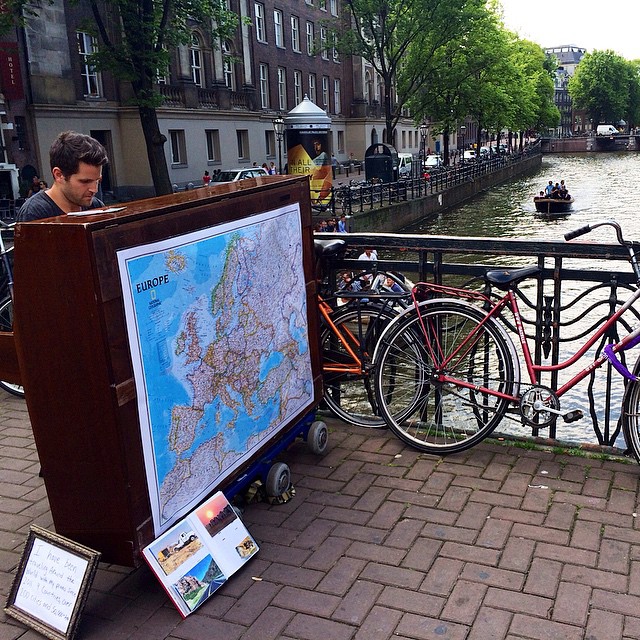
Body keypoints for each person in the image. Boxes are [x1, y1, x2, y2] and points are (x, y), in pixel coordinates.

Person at [17, 131, 109, 222]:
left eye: (97, 181)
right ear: (59, 175)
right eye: (85, 181)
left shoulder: (96, 206)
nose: (94, 189)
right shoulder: (35, 213)